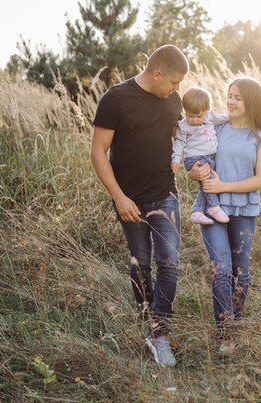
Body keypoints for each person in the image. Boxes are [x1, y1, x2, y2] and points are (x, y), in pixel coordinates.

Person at [89, 45, 189, 368]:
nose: (178, 90)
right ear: (157, 73)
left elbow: (183, 137)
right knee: (141, 265)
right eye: (174, 82)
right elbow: (97, 153)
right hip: (129, 199)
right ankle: (147, 322)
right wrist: (119, 197)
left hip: (165, 195)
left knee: (170, 263)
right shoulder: (115, 99)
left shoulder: (172, 100)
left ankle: (160, 333)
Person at [189, 77, 261, 354]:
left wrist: (224, 185)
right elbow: (193, 154)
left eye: (238, 97)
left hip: (244, 209)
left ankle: (236, 322)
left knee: (241, 272)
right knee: (222, 269)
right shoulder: (216, 127)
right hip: (213, 206)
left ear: (251, 100)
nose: (230, 101)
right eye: (229, 96)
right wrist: (192, 172)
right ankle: (226, 333)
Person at [170, 87, 230, 225]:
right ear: (185, 110)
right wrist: (175, 160)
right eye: (191, 116)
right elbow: (179, 143)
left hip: (210, 157)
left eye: (199, 116)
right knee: (209, 179)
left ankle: (197, 212)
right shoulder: (183, 126)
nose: (195, 120)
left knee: (205, 184)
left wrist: (234, 117)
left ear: (207, 110)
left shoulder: (210, 117)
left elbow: (223, 118)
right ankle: (213, 207)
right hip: (194, 158)